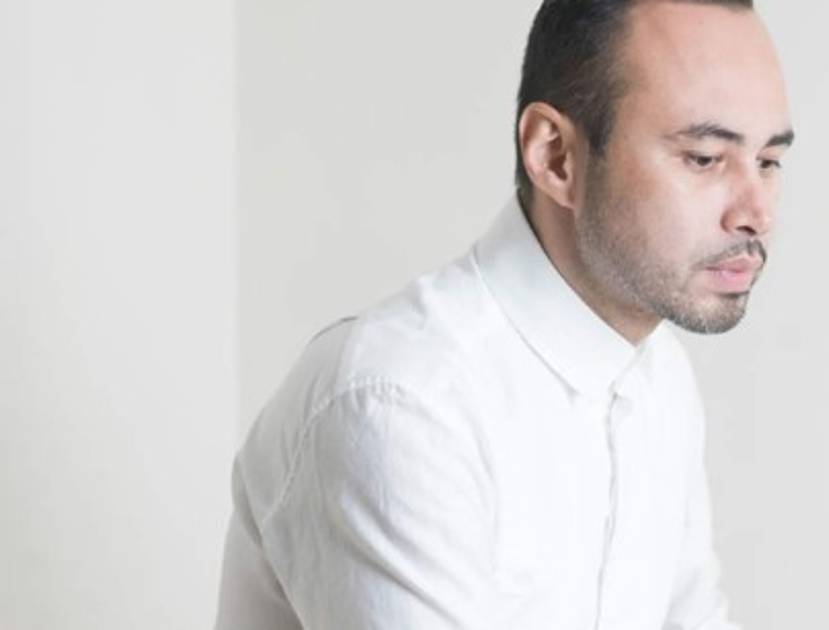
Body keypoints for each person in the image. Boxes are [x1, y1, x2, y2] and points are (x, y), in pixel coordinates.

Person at [214, 0, 792, 627]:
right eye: (704, 158)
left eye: (768, 161)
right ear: (556, 156)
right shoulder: (402, 402)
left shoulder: (660, 380)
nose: (756, 213)